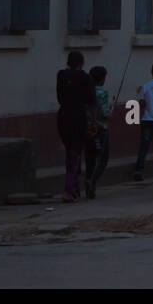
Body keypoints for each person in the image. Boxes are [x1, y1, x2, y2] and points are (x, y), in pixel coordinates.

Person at [56, 51, 95, 203]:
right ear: (82, 62)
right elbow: (92, 103)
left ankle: (75, 188)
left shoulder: (61, 75)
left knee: (69, 152)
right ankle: (68, 189)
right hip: (78, 117)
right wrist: (92, 123)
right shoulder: (86, 78)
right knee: (76, 153)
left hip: (63, 116)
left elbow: (59, 97)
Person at [84, 65, 112, 200]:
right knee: (102, 159)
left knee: (89, 158)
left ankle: (88, 181)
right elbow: (105, 113)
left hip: (87, 129)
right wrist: (111, 114)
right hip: (100, 129)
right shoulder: (102, 93)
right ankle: (92, 181)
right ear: (102, 79)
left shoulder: (85, 92)